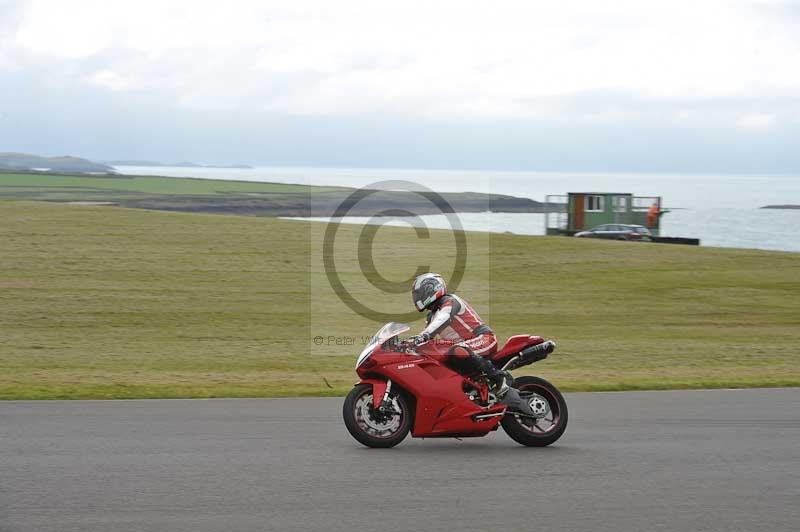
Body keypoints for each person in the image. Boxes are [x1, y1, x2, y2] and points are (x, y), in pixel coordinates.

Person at [408, 272, 533, 415]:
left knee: (457, 350)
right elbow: (428, 341)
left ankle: (498, 378)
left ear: (432, 288)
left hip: (484, 339)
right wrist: (410, 346)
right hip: (465, 349)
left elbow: (443, 318)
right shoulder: (432, 315)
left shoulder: (449, 301)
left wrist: (422, 336)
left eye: (420, 293)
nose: (418, 297)